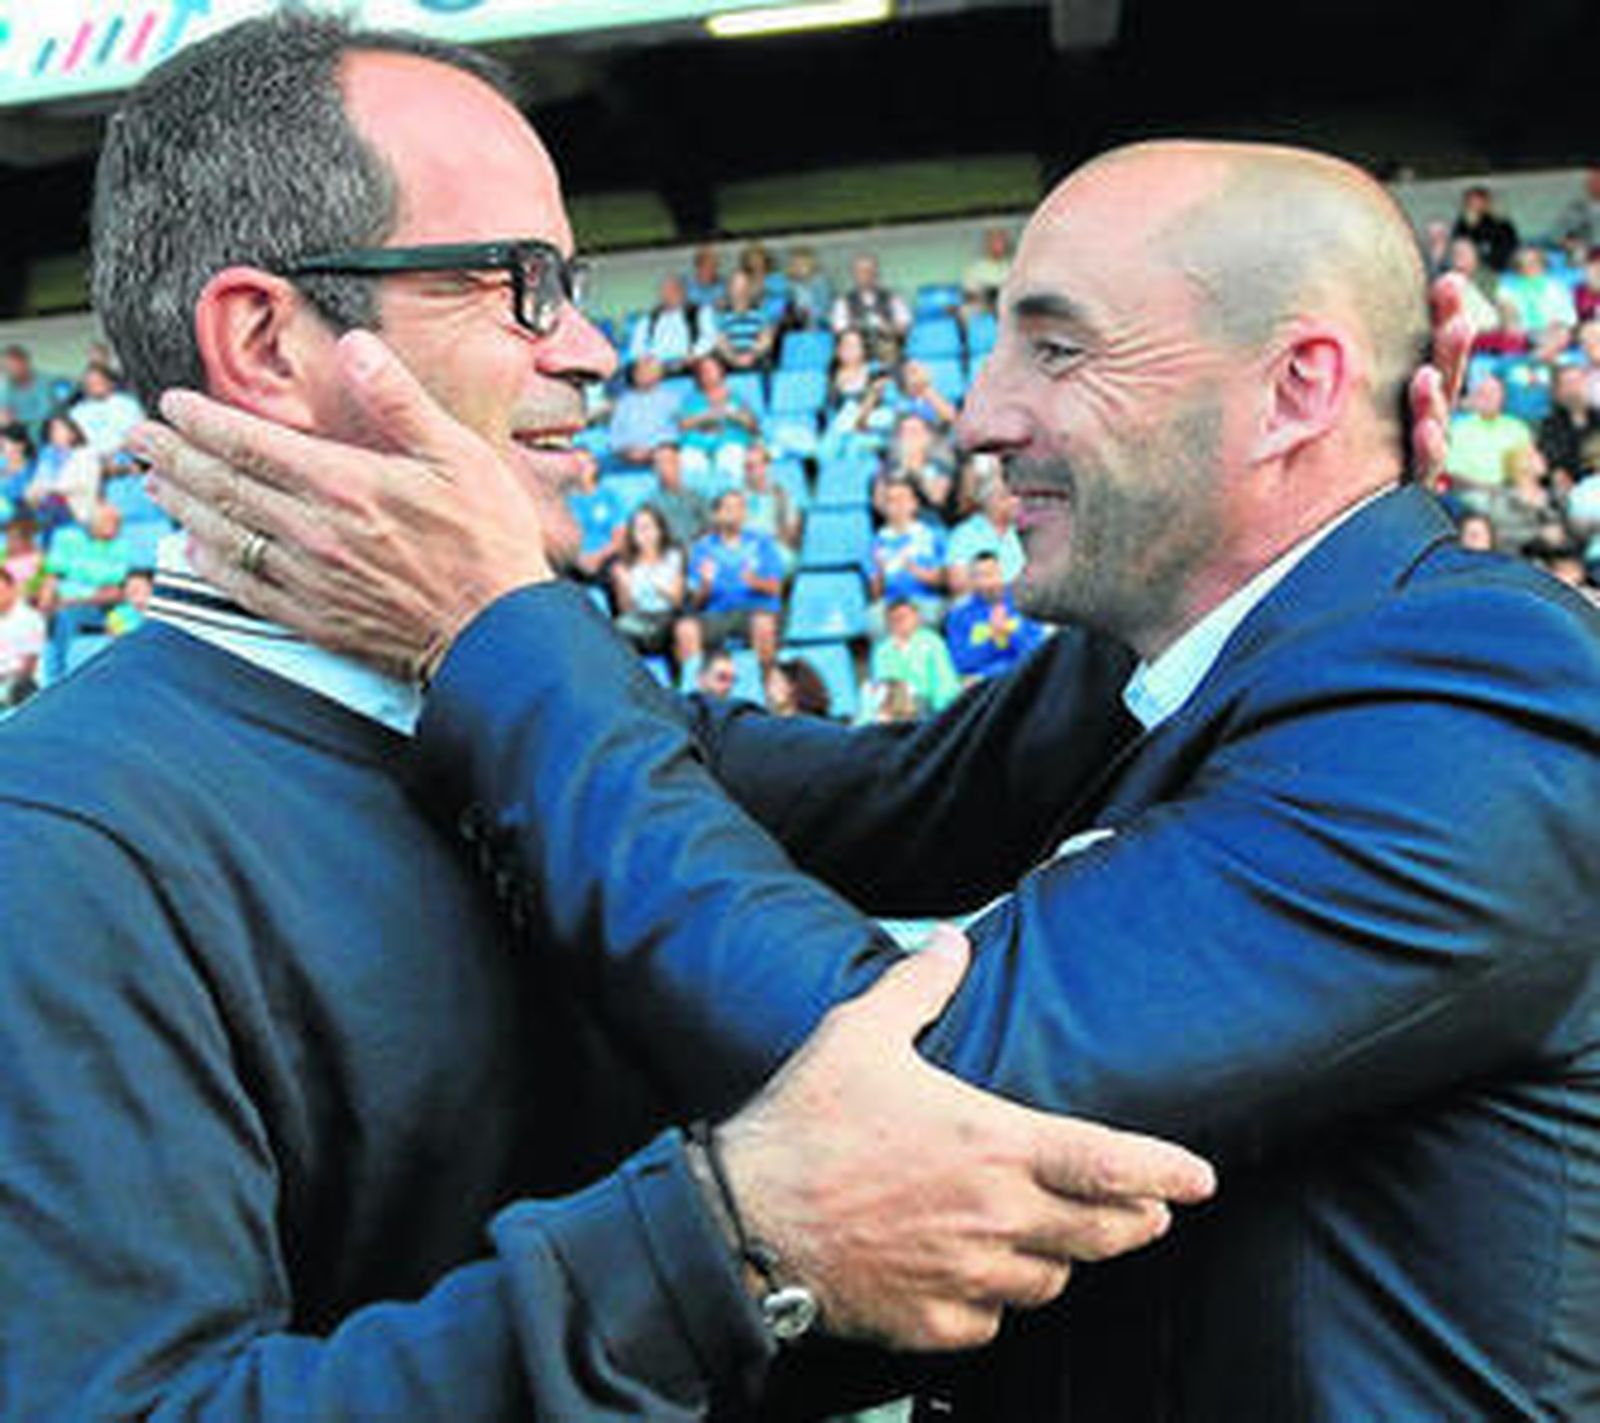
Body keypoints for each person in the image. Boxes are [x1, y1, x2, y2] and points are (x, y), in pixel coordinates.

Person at [147, 137, 1600, 1422]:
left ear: (1297, 386)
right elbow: (847, 799)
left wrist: (493, 635)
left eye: (1059, 349)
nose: (981, 414)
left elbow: (911, 1100)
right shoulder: (1218, 654)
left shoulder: (1476, 697)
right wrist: (441, 629)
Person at [2, 18, 1218, 1421]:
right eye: (521, 284)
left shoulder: (538, 694)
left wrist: (1239, 500)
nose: (590, 348)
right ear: (267, 342)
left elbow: (946, 797)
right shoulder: (60, 847)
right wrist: (734, 1244)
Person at [944, 550, 1046, 681]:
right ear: (971, 580)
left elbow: (1038, 653)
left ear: (1002, 573)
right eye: (978, 576)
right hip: (982, 683)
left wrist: (1009, 633)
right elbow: (960, 662)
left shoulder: (1025, 605)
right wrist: (992, 638)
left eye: (990, 574)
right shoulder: (960, 615)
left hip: (1021, 679)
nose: (986, 582)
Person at [606, 354, 683, 467]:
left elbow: (680, 428)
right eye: (641, 372)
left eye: (651, 371)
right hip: (630, 452)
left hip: (663, 451)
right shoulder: (623, 403)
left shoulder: (672, 399)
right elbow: (615, 438)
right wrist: (628, 451)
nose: (645, 375)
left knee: (665, 454)